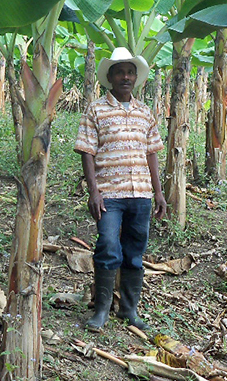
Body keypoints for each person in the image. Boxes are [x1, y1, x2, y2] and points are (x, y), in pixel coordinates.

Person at [73, 47, 168, 331]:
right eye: (120, 72)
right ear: (110, 77)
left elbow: (152, 152)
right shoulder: (97, 109)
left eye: (130, 72)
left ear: (135, 78)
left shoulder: (144, 112)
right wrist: (93, 191)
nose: (125, 77)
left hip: (140, 193)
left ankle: (129, 310)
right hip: (109, 193)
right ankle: (101, 310)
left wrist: (159, 191)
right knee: (107, 246)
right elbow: (86, 151)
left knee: (134, 252)